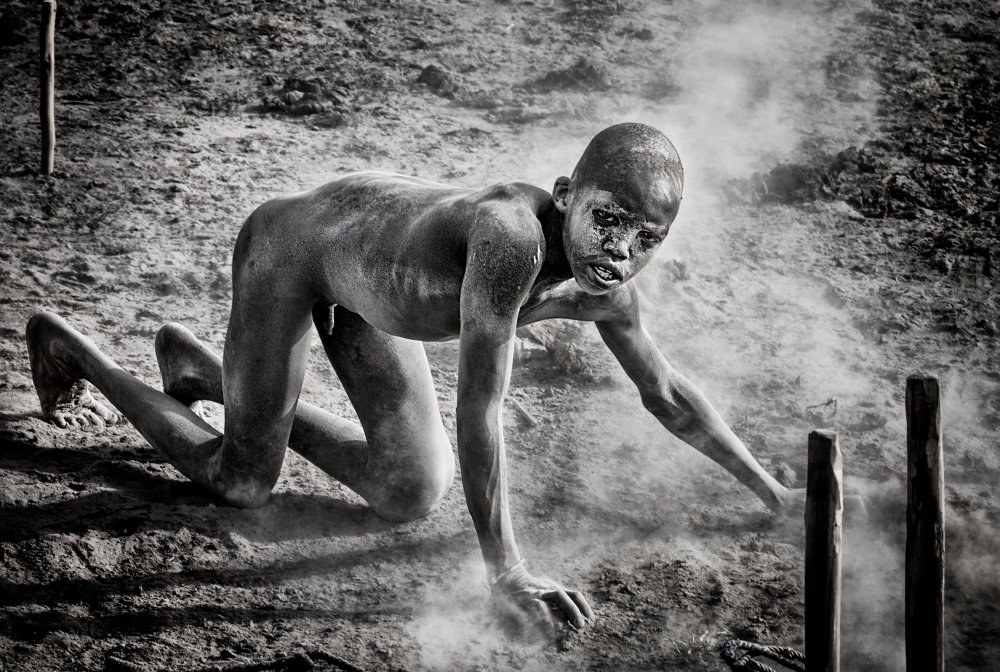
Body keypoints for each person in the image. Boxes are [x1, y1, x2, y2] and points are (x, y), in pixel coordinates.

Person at [26, 122, 804, 633]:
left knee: (408, 492)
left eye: (648, 238)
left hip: (372, 289)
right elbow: (481, 412)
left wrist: (776, 494)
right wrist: (509, 571)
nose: (622, 251)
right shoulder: (512, 241)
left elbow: (663, 393)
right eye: (609, 219)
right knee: (241, 483)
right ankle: (76, 351)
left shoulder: (608, 289)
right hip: (294, 254)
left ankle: (210, 371)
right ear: (567, 195)